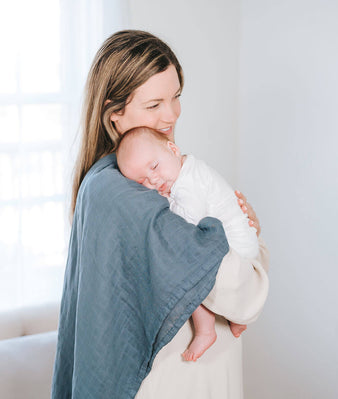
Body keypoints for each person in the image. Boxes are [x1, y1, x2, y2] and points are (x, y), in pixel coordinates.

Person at [52, 30, 269, 399]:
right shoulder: (126, 196)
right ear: (114, 114)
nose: (171, 114)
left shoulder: (120, 182)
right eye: (154, 105)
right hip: (179, 379)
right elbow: (243, 294)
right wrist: (254, 244)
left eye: (176, 96)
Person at [116, 126, 259, 362]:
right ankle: (235, 319)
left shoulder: (187, 183)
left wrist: (166, 202)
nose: (154, 180)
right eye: (143, 181)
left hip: (237, 248)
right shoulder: (188, 168)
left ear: (173, 149)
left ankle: (205, 330)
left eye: (154, 167)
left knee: (186, 275)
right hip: (242, 243)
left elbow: (188, 223)